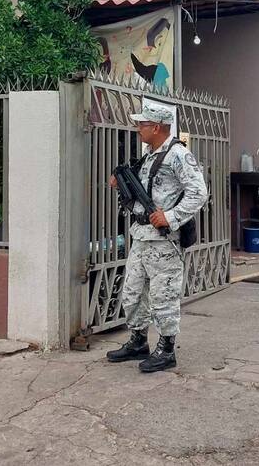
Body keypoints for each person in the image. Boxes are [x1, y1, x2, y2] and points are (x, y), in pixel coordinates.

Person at [106, 100, 207, 373]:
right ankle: (138, 340)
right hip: (141, 235)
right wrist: (121, 185)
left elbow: (199, 192)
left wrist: (171, 217)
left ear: (158, 127)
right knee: (132, 293)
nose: (138, 128)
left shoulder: (178, 155)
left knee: (163, 296)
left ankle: (166, 349)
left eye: (142, 124)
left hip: (164, 240)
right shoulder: (149, 154)